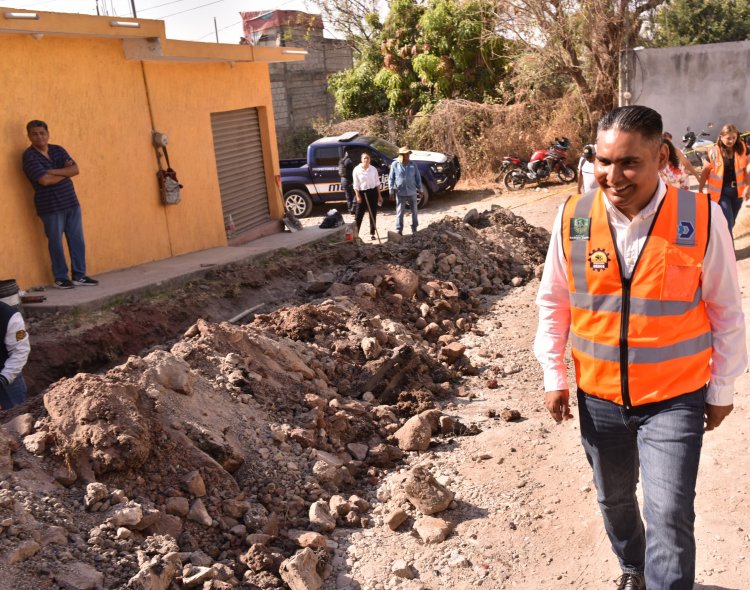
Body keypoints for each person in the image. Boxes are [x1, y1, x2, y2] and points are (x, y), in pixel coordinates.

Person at [534, 105, 746, 590]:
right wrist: (554, 374)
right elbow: (554, 300)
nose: (613, 175)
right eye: (604, 161)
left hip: (675, 399)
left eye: (630, 162)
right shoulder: (573, 216)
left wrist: (722, 387)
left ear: (660, 157)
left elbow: (726, 311)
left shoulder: (701, 217)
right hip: (599, 398)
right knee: (615, 501)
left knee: (669, 512)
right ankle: (633, 566)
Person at [22, 120, 98, 289]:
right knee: (55, 242)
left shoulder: (58, 149)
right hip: (50, 207)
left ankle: (79, 275)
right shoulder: (29, 156)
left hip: (71, 202)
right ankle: (61, 277)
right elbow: (44, 180)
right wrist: (66, 172)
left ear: (48, 134)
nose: (39, 136)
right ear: (29, 136)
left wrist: (53, 171)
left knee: (77, 240)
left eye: (42, 133)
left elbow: (76, 169)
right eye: (34, 133)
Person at [698, 123, 749, 231]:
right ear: (721, 137)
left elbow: (748, 169)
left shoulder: (742, 148)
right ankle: (728, 247)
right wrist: (700, 188)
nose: (732, 141)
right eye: (728, 138)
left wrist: (748, 187)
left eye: (734, 137)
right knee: (727, 222)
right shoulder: (713, 151)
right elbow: (705, 171)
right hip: (721, 193)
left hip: (738, 192)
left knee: (732, 220)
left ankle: (724, 239)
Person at [0, 301, 30, 411]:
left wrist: (3, 379)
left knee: (16, 415)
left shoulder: (9, 316)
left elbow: (20, 351)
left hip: (6, 375)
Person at [388, 146, 423, 236]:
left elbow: (418, 178)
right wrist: (391, 191)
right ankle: (399, 230)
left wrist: (420, 189)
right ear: (401, 155)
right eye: (406, 154)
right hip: (400, 193)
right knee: (400, 212)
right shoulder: (395, 165)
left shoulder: (413, 164)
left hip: (412, 192)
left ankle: (414, 228)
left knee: (414, 211)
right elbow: (391, 179)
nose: (408, 156)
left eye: (408, 154)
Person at [352, 153, 382, 240]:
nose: (366, 160)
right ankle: (356, 234)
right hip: (361, 193)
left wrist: (379, 195)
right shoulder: (356, 170)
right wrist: (358, 196)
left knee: (373, 213)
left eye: (368, 158)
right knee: (359, 214)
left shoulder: (373, 169)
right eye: (364, 158)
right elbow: (356, 185)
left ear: (370, 159)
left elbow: (377, 183)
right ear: (361, 159)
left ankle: (372, 233)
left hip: (372, 193)